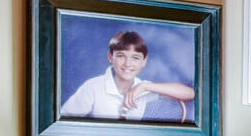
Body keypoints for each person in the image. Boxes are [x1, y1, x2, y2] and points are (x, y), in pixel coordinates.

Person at [61, 28, 194, 122]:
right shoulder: (93, 87)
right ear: (110, 57)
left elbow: (189, 93)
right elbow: (65, 119)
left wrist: (144, 87)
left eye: (135, 58)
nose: (127, 63)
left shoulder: (144, 89)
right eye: (121, 56)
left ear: (144, 61)